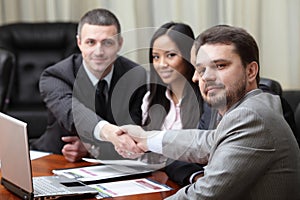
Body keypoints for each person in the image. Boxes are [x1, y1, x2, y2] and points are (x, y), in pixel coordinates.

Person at [117, 25, 300, 199]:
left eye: (220, 66)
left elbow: (205, 194)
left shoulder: (251, 116)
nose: (207, 77)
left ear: (251, 71)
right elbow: (204, 142)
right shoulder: (251, 108)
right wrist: (146, 138)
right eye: (201, 69)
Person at [30, 8, 147, 162]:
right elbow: (73, 114)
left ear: (119, 43)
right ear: (79, 43)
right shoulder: (55, 76)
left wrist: (92, 148)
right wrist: (108, 132)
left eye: (107, 43)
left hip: (113, 165)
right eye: (91, 42)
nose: (99, 52)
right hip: (54, 158)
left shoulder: (135, 75)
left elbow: (133, 135)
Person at [140, 22, 205, 185]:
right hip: (156, 181)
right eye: (156, 57)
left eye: (170, 55)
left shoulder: (206, 100)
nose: (162, 64)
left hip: (190, 183)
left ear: (188, 56)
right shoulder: (151, 98)